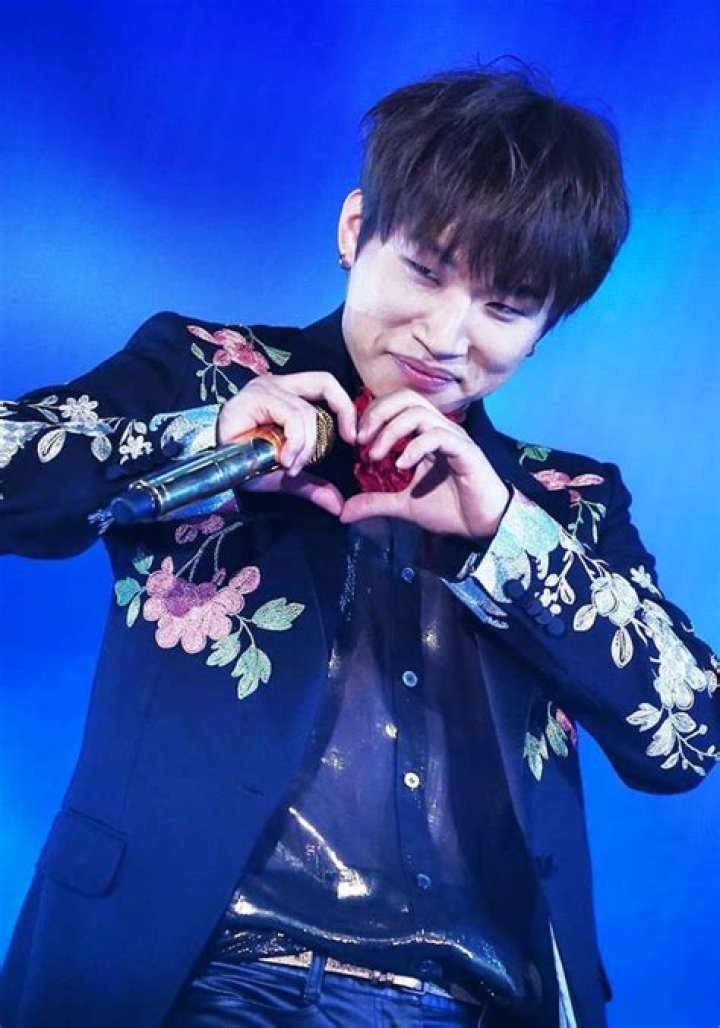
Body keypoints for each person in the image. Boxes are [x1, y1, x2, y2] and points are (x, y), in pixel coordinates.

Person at [1, 66, 718, 1028]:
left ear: (547, 329)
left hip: (474, 1001)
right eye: (425, 270)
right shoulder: (209, 373)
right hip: (196, 976)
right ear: (353, 232)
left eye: (507, 307)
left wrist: (504, 534)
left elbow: (688, 735)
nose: (447, 335)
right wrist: (204, 437)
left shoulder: (565, 503)